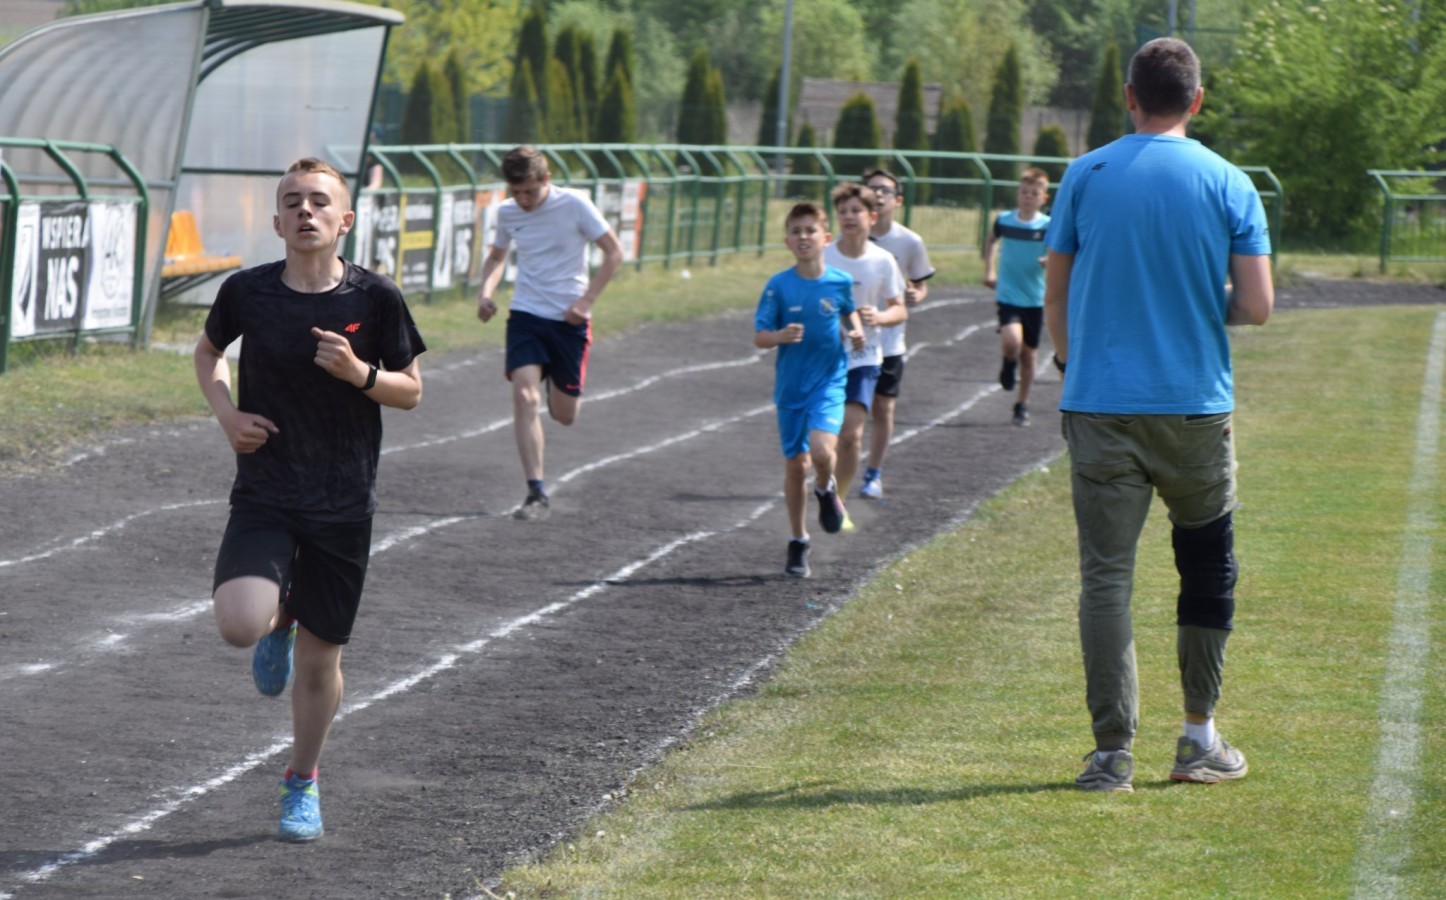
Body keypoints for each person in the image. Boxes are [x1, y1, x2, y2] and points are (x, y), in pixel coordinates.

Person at [1043, 37, 1274, 793]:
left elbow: (1056, 289)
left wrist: (1074, 363)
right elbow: (1256, 305)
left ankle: (1112, 753)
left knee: (1106, 578)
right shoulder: (1231, 181)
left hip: (1100, 402)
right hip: (1195, 407)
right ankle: (1198, 737)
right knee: (1207, 565)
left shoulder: (1085, 173)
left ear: (1129, 95)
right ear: (1197, 100)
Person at [194, 157, 426, 840]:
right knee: (239, 625)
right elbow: (207, 356)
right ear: (276, 222)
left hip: (343, 498)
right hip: (266, 488)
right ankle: (278, 620)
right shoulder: (248, 292)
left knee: (323, 663)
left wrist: (362, 375)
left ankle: (302, 780)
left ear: (344, 220)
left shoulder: (374, 299)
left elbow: (411, 390)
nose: (306, 211)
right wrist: (227, 415)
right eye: (292, 201)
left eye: (320, 201)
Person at [476, 145, 624, 520]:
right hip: (526, 315)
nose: (523, 200)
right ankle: (535, 490)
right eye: (516, 192)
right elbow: (497, 256)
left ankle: (557, 382)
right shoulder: (507, 213)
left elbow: (614, 252)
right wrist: (486, 293)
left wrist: (586, 302)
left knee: (564, 414)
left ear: (547, 179)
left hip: (569, 321)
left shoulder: (575, 204)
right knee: (525, 398)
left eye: (530, 191)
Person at [754, 201, 866, 577]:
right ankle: (798, 540)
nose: (804, 237)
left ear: (826, 238)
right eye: (796, 231)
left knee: (821, 450)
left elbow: (848, 309)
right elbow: (759, 337)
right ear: (787, 240)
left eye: (810, 230)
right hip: (791, 388)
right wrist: (779, 336)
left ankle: (825, 487)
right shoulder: (779, 286)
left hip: (829, 381)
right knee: (795, 464)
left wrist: (855, 329)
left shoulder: (838, 281)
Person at [823, 182, 907, 515]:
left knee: (850, 436)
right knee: (823, 440)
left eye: (856, 210)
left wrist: (881, 317)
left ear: (872, 217)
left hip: (864, 358)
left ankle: (836, 501)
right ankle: (823, 483)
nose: (849, 217)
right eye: (842, 211)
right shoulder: (824, 255)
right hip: (824, 357)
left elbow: (899, 308)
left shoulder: (883, 261)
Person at [860, 168, 935, 500]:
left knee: (883, 408)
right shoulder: (849, 237)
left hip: (890, 340)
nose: (878, 194)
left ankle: (873, 472)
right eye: (872, 188)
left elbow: (919, 283)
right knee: (849, 412)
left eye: (884, 190)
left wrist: (918, 294)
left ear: (897, 200)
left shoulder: (909, 241)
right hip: (852, 341)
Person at [983, 167, 1051, 426]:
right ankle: (1007, 361)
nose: (1028, 197)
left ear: (1043, 198)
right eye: (1024, 192)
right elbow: (991, 241)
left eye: (1034, 193)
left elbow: (1057, 253)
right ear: (1017, 194)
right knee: (1012, 341)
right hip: (1008, 293)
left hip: (1035, 297)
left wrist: (1048, 260)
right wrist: (989, 269)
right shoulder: (1004, 220)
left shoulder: (1048, 226)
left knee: (1030, 355)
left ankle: (1022, 404)